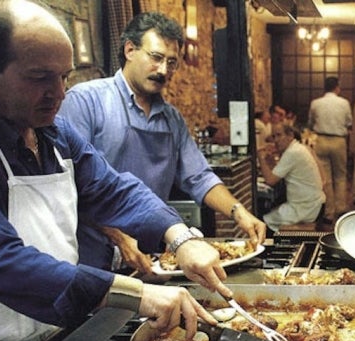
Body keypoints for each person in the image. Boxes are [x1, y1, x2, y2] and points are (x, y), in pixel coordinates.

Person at [0, 0, 228, 341]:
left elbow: (115, 189)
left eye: (63, 77)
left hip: (52, 340)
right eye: (39, 78)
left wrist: (180, 238)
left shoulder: (55, 134)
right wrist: (134, 294)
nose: (59, 93)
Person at [58, 12, 266, 276]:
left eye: (172, 62)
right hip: (89, 259)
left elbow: (199, 176)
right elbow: (70, 187)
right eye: (156, 58)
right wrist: (118, 236)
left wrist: (238, 212)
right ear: (130, 50)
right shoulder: (85, 102)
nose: (163, 70)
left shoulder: (172, 119)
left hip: (149, 258)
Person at [256, 124, 325, 233]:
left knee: (261, 222)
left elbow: (270, 180)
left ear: (290, 135)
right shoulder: (297, 148)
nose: (276, 140)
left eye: (279, 135)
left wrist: (260, 156)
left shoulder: (293, 152)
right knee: (272, 212)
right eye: (274, 137)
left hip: (305, 208)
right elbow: (277, 174)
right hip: (313, 203)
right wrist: (270, 160)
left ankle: (273, 248)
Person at [308, 76, 352, 224]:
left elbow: (310, 122)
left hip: (321, 139)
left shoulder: (315, 103)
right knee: (340, 176)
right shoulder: (344, 103)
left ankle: (328, 212)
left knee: (325, 178)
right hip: (339, 140)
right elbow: (349, 122)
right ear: (337, 87)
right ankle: (341, 209)